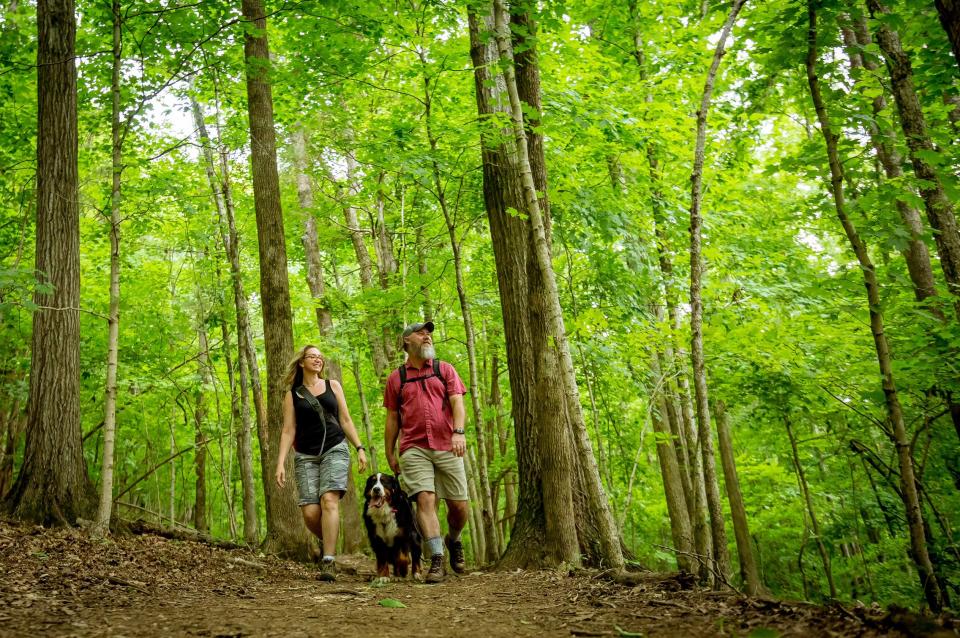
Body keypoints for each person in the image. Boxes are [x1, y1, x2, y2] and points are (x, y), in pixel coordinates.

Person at [383, 321, 469, 583]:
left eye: (429, 333)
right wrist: (390, 453)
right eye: (421, 333)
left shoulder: (444, 369)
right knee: (425, 500)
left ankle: (452, 540)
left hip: (447, 444)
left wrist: (459, 432)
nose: (427, 337)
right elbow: (392, 418)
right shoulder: (397, 378)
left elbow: (457, 403)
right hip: (413, 447)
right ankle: (437, 559)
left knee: (459, 506)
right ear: (407, 341)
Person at [276, 345, 367, 582]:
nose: (317, 360)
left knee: (329, 500)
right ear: (301, 363)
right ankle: (329, 540)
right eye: (312, 357)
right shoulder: (293, 395)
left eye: (320, 357)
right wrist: (280, 463)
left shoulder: (332, 386)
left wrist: (359, 447)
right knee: (310, 513)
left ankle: (328, 561)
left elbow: (345, 419)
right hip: (305, 455)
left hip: (335, 448)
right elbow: (288, 430)